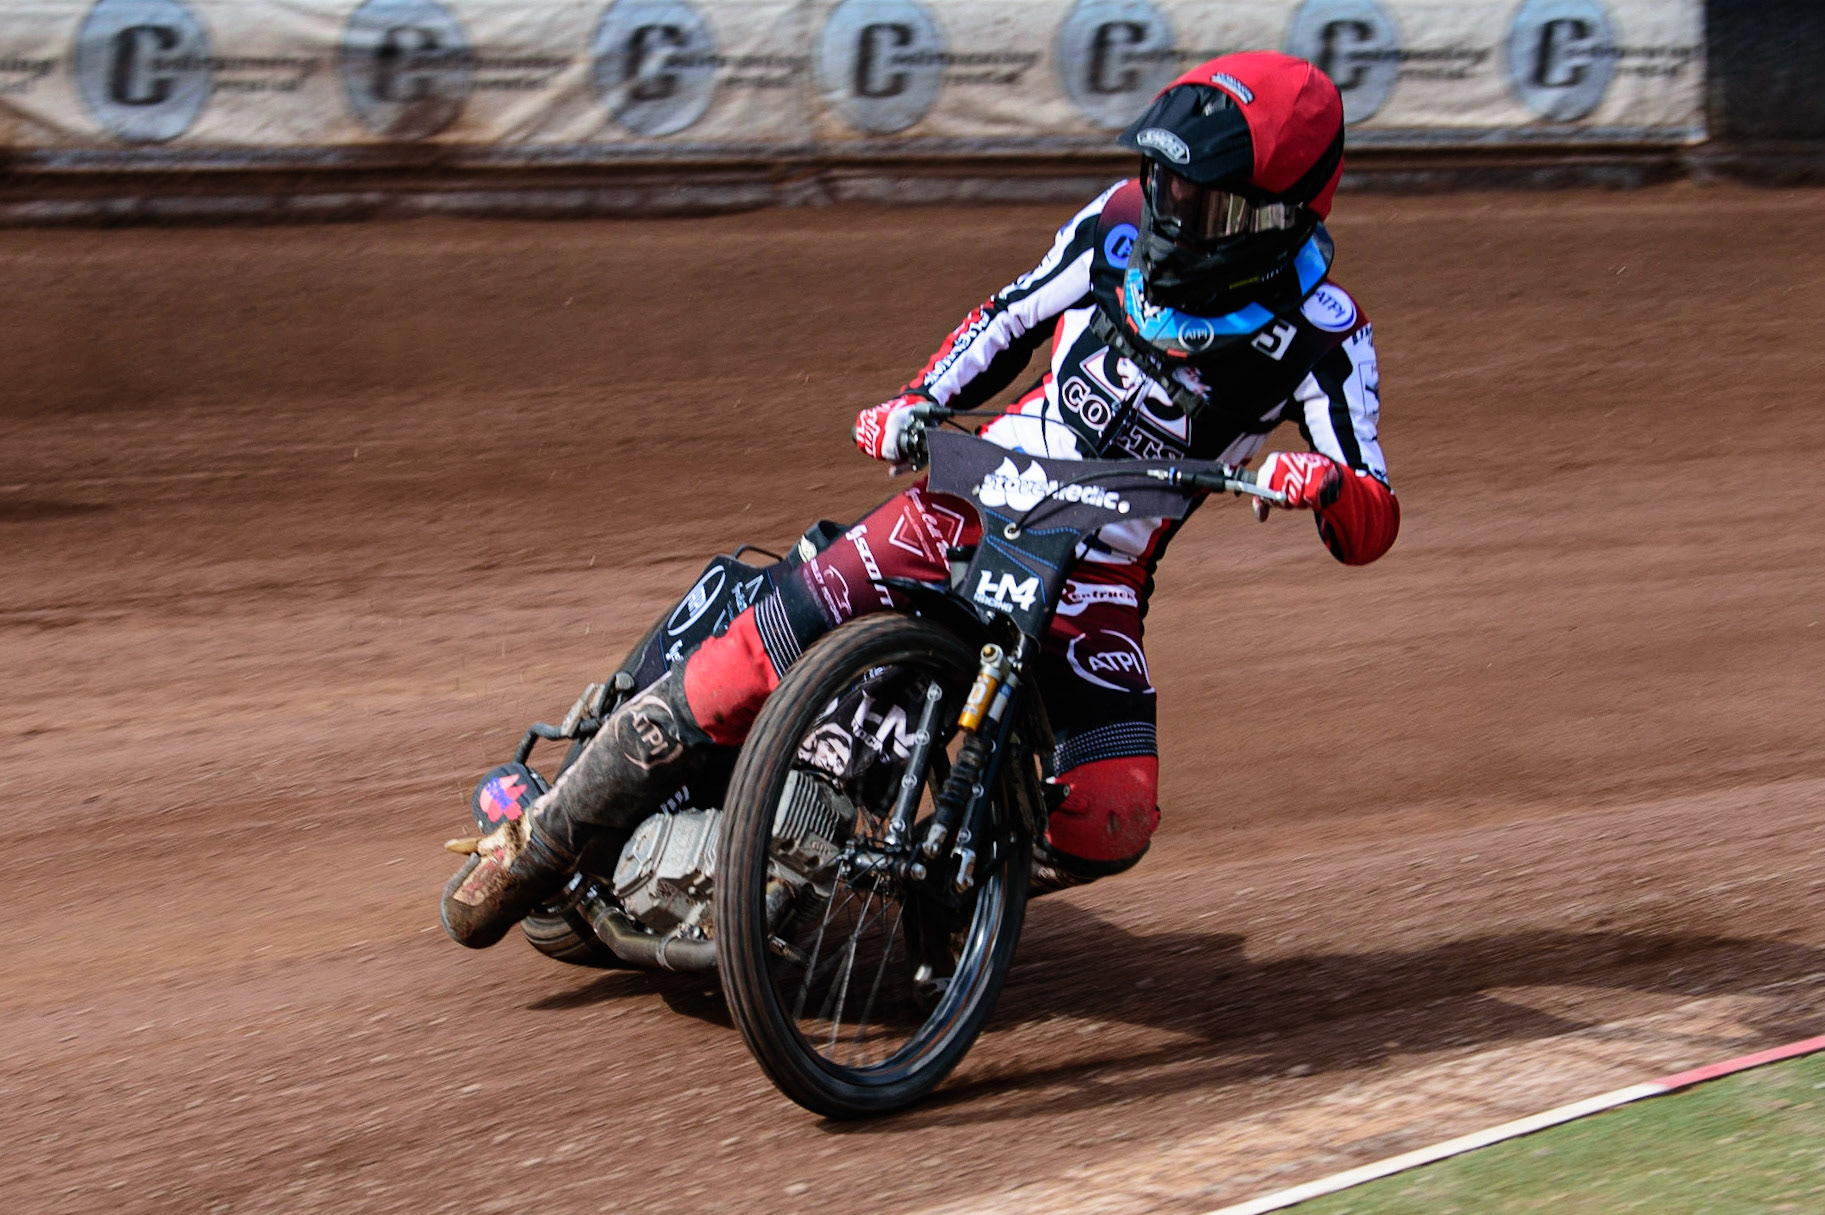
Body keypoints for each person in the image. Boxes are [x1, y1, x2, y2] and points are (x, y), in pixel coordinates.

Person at [442, 50, 1398, 948]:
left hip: (1099, 569)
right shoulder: (1113, 223)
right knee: (749, 657)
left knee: (1113, 818)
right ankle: (540, 838)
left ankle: (955, 865)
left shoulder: (1324, 331)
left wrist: (1321, 486)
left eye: (1206, 202)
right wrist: (917, 398)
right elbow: (1009, 313)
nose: (1173, 212)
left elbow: (1372, 517)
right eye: (1166, 183)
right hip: (974, 496)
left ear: (1280, 216)